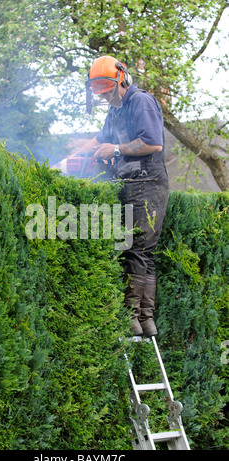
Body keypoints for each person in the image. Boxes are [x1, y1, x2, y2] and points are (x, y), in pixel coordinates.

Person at [78, 55, 169, 337]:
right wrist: (76, 151)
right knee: (144, 253)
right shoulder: (115, 109)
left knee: (135, 249)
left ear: (122, 79)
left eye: (107, 91)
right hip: (131, 183)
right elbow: (101, 138)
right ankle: (146, 319)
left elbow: (153, 143)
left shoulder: (140, 101)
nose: (105, 98)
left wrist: (115, 150)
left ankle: (131, 317)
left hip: (148, 183)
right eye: (101, 94)